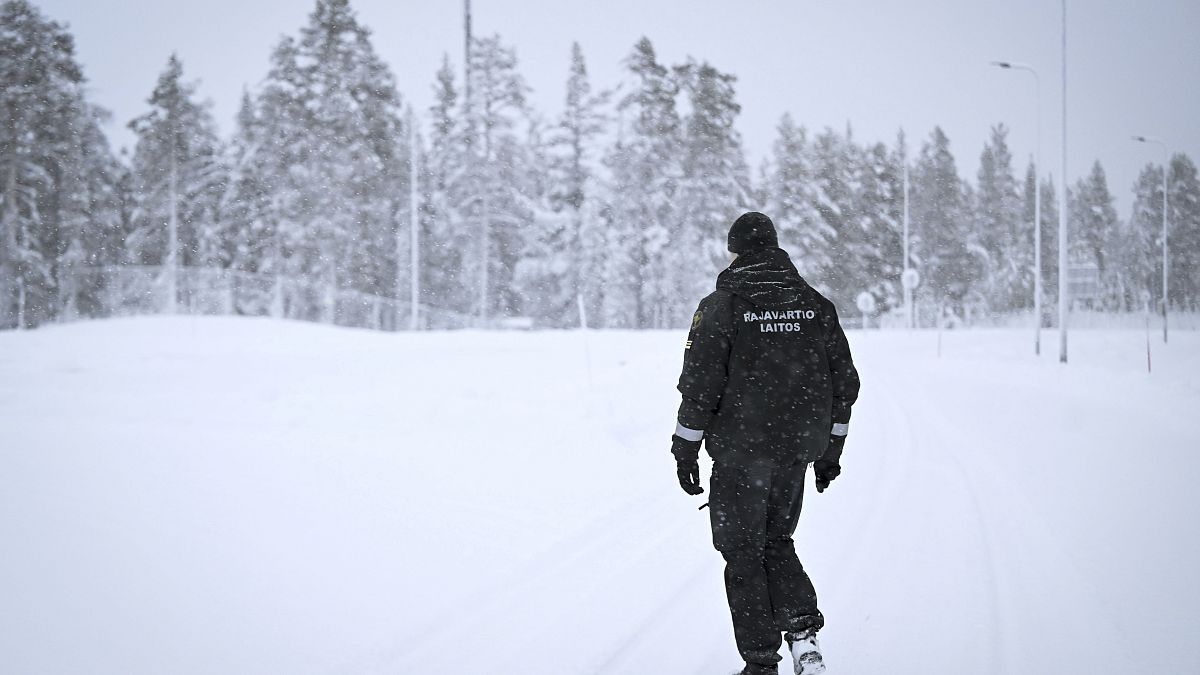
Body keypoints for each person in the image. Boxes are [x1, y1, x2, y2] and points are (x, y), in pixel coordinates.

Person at [670, 212, 860, 675]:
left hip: (740, 455)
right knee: (777, 539)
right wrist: (830, 453)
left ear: (735, 253)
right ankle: (803, 635)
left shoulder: (722, 306)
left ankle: (760, 662)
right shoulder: (816, 305)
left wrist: (685, 447)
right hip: (796, 451)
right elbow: (845, 385)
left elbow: (700, 385)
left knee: (742, 553)